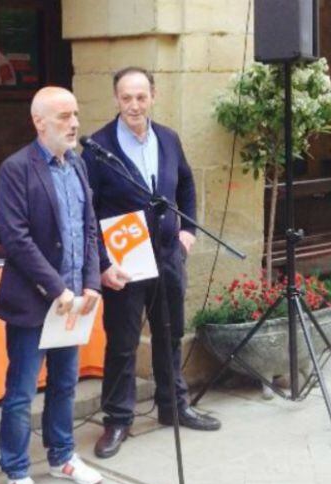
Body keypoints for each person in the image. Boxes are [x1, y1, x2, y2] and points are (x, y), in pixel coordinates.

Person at [82, 67, 222, 460]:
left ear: (153, 96)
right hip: (124, 262)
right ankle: (117, 418)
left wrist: (187, 233)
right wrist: (103, 263)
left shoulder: (168, 138)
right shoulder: (97, 147)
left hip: (167, 255)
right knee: (123, 343)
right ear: (116, 100)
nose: (134, 105)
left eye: (141, 97)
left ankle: (173, 406)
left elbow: (187, 185)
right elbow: (87, 211)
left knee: (170, 334)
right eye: (126, 98)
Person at [0, 86, 103, 484]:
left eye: (75, 114)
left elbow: (88, 226)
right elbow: (16, 238)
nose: (74, 123)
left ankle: (61, 457)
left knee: (65, 383)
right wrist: (56, 288)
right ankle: (17, 472)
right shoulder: (16, 169)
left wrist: (91, 281)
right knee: (21, 392)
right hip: (35, 302)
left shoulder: (77, 165)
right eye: (63, 116)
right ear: (39, 122)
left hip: (73, 302)